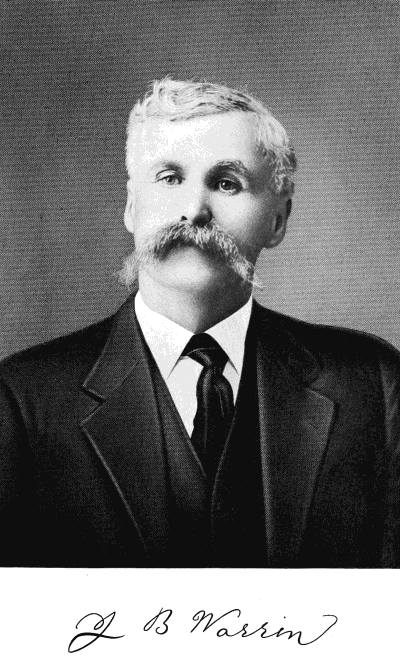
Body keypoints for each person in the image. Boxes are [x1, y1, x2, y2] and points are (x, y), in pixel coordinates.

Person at [1, 78, 400, 568]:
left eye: (227, 183)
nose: (193, 211)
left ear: (278, 220)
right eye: (170, 178)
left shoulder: (373, 384)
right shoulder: (20, 400)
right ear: (131, 207)